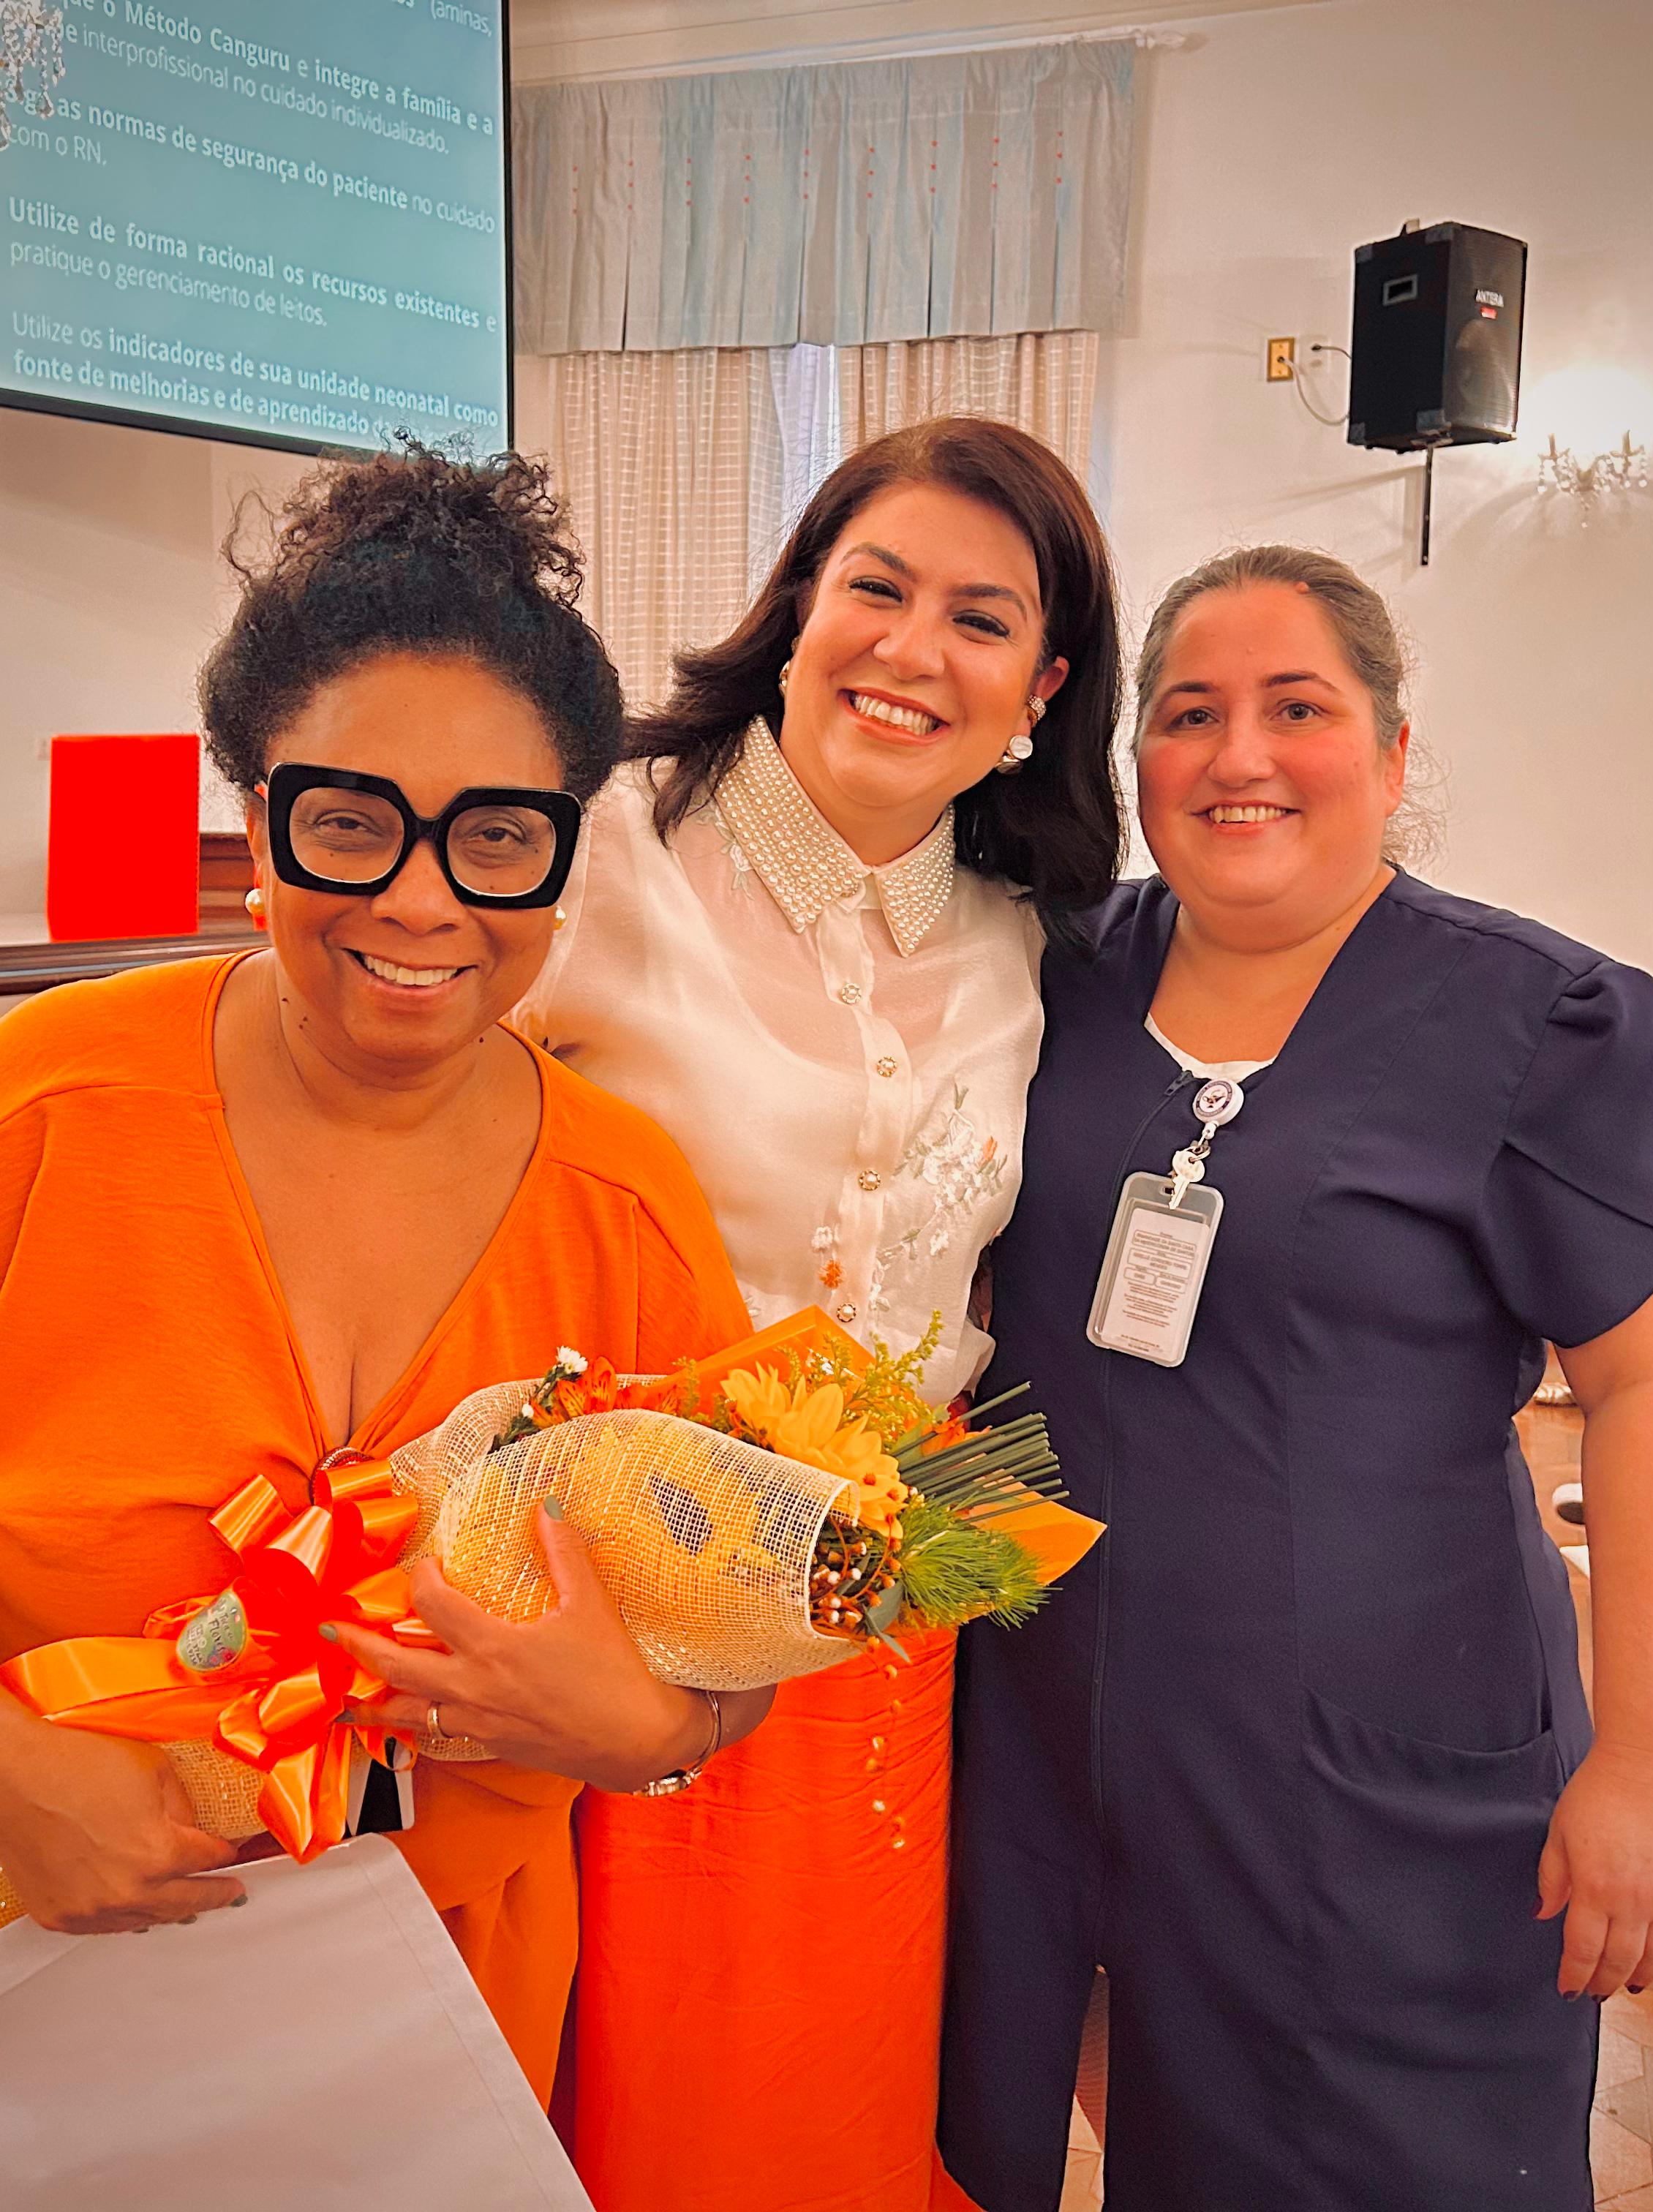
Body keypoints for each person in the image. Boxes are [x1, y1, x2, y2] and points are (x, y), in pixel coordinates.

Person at [0, 445, 767, 2108]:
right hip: (36, 1960)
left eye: (496, 836)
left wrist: (651, 1732)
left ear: (562, 853)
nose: (420, 902)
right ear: (256, 821)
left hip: (442, 2019)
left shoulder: (627, 1206)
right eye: (348, 823)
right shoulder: (42, 1108)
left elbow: (733, 1649)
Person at [941, 545, 1653, 2211]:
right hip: (1048, 1738)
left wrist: (1636, 1761)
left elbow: (1636, 1392)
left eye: (1299, 709)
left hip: (1376, 1779)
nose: (1240, 756)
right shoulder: (1056, 976)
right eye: (1189, 715)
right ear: (1137, 764)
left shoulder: (1534, 1021)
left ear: (1393, 755)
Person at [516, 418, 1125, 2211]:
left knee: (828, 2060)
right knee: (619, 2072)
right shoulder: (596, 850)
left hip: (887, 1615)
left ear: (1040, 690)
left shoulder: (1033, 939)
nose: (913, 649)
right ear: (796, 606)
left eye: (982, 619)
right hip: (603, 1591)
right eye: (878, 587)